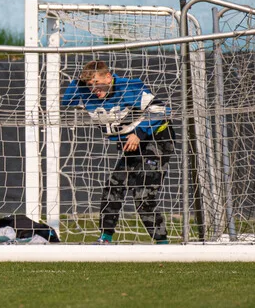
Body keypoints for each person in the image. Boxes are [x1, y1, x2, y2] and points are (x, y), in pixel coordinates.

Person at [61, 60, 172, 244]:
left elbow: (162, 110)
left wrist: (139, 133)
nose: (94, 89)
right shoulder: (86, 93)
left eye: (97, 83)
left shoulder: (130, 87)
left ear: (109, 77)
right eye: (90, 85)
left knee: (143, 193)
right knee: (113, 187)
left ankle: (162, 242)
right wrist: (82, 81)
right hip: (131, 145)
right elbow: (67, 100)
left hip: (156, 138)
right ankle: (105, 238)